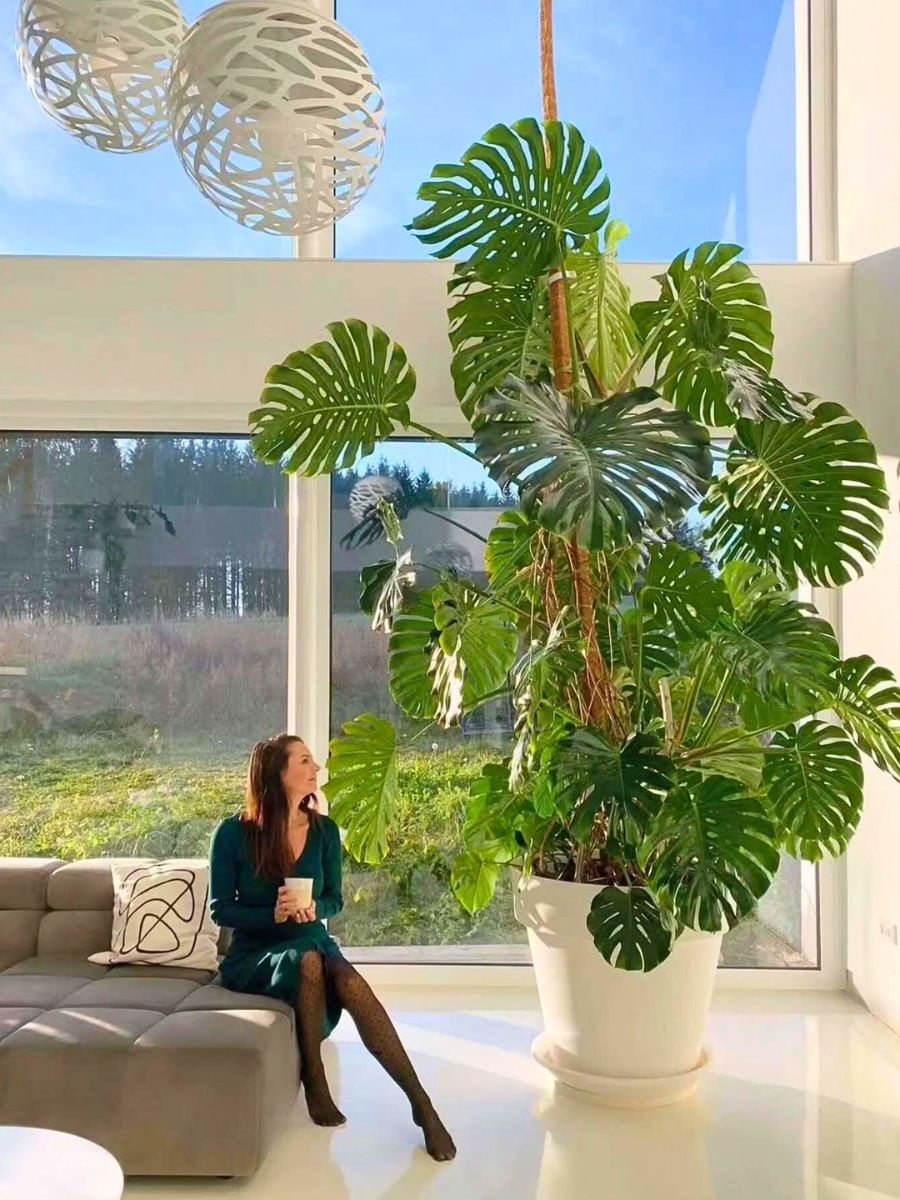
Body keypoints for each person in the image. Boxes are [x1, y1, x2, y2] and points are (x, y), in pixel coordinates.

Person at [209, 732, 456, 1162]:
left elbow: (334, 900)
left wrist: (312, 909)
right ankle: (316, 1080)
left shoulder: (324, 831)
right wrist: (274, 915)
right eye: (304, 761)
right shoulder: (232, 834)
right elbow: (221, 910)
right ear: (277, 773)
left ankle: (422, 1105)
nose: (315, 768)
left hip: (312, 938)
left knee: (351, 983)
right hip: (254, 954)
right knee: (306, 961)